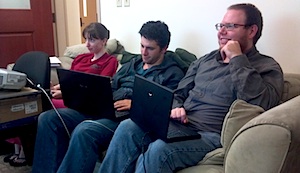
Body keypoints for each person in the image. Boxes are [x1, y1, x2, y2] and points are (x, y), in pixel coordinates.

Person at [98, 3, 284, 173]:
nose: (222, 32)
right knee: (128, 127)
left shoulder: (266, 67)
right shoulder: (206, 60)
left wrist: (237, 59)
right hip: (181, 126)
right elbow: (179, 92)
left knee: (158, 150)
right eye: (221, 26)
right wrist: (176, 106)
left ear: (252, 30)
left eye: (231, 26)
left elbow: (260, 103)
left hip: (212, 135)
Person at [32, 20, 185, 173]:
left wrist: (134, 103)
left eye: (150, 49)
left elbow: (165, 106)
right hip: (104, 108)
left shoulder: (172, 74)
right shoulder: (132, 64)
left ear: (164, 48)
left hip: (124, 119)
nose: (144, 52)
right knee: (48, 118)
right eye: (142, 46)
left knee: (84, 131)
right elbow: (110, 85)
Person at [51, 22, 118, 108]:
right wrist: (55, 88)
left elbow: (98, 88)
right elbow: (70, 80)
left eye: (91, 40)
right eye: (86, 39)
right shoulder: (80, 58)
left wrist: (65, 93)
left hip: (85, 101)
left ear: (104, 41)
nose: (87, 44)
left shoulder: (110, 61)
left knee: (49, 104)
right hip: (70, 95)